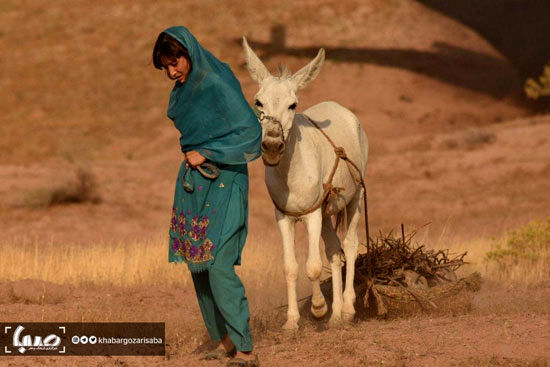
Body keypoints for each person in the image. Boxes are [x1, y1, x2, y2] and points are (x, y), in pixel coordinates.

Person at [152, 26, 262, 367]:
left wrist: (209, 152)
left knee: (218, 265)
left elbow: (250, 132)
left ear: (189, 53)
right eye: (165, 67)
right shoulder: (183, 91)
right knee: (197, 265)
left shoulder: (216, 82)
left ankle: (245, 348)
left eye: (175, 62)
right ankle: (225, 340)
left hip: (226, 179)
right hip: (194, 183)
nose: (172, 72)